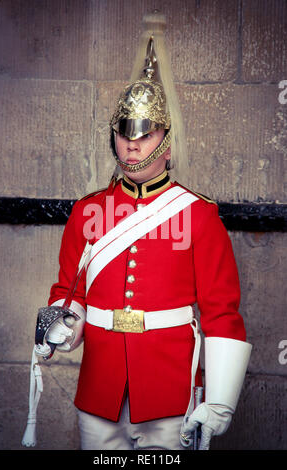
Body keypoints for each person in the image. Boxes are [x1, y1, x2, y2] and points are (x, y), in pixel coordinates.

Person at [22, 13, 252, 451]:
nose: (134, 142)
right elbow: (71, 291)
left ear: (165, 138)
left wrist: (219, 402)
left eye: (146, 133)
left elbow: (221, 312)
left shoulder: (199, 215)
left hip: (170, 394)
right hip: (100, 394)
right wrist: (61, 328)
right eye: (126, 132)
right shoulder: (89, 210)